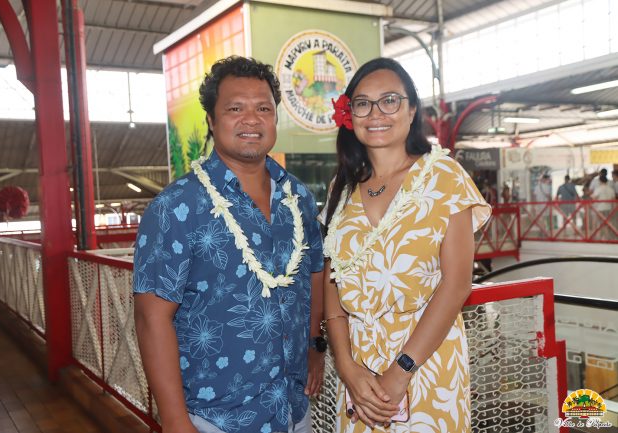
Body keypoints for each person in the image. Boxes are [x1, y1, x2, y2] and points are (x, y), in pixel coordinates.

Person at [133, 56, 325, 433]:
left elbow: (315, 271)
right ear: (211, 119)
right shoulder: (177, 207)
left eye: (263, 109)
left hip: (293, 407)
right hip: (216, 417)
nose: (251, 120)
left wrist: (315, 344)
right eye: (236, 108)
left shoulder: (297, 197)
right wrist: (175, 421)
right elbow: (151, 317)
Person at [321, 57, 491, 433]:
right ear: (350, 114)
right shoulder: (341, 188)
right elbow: (333, 285)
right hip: (359, 373)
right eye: (363, 103)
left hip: (426, 364)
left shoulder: (443, 176)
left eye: (390, 100)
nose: (376, 113)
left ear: (412, 110)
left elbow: (457, 284)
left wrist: (401, 371)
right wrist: (346, 367)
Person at [591, 173, 615, 240]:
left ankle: (600, 237)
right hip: (608, 208)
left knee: (600, 223)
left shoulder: (599, 189)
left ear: (600, 181)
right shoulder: (610, 189)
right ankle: (607, 237)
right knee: (607, 223)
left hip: (600, 208)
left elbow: (594, 197)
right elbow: (613, 199)